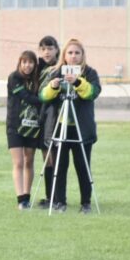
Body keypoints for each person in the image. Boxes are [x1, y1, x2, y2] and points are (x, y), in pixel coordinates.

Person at [39, 38, 101, 213]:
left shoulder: (90, 73)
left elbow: (93, 93)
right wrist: (53, 86)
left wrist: (78, 82)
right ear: (64, 55)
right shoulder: (55, 72)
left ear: (82, 55)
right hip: (60, 125)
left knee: (83, 165)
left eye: (77, 53)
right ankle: (60, 202)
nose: (73, 56)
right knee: (59, 165)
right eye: (70, 53)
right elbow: (43, 96)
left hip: (81, 128)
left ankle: (86, 203)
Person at [5, 50, 42, 210]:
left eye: (31, 62)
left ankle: (27, 196)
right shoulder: (14, 78)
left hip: (32, 127)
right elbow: (26, 97)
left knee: (29, 161)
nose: (27, 65)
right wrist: (45, 99)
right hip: (15, 126)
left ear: (35, 64)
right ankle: (20, 199)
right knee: (18, 162)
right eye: (24, 62)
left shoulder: (37, 80)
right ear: (20, 63)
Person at [36, 35, 60, 209]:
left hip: (55, 116)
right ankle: (49, 196)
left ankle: (57, 197)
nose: (47, 52)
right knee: (45, 156)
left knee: (54, 156)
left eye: (50, 48)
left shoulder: (60, 68)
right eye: (43, 49)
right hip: (42, 116)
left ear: (57, 50)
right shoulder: (39, 68)